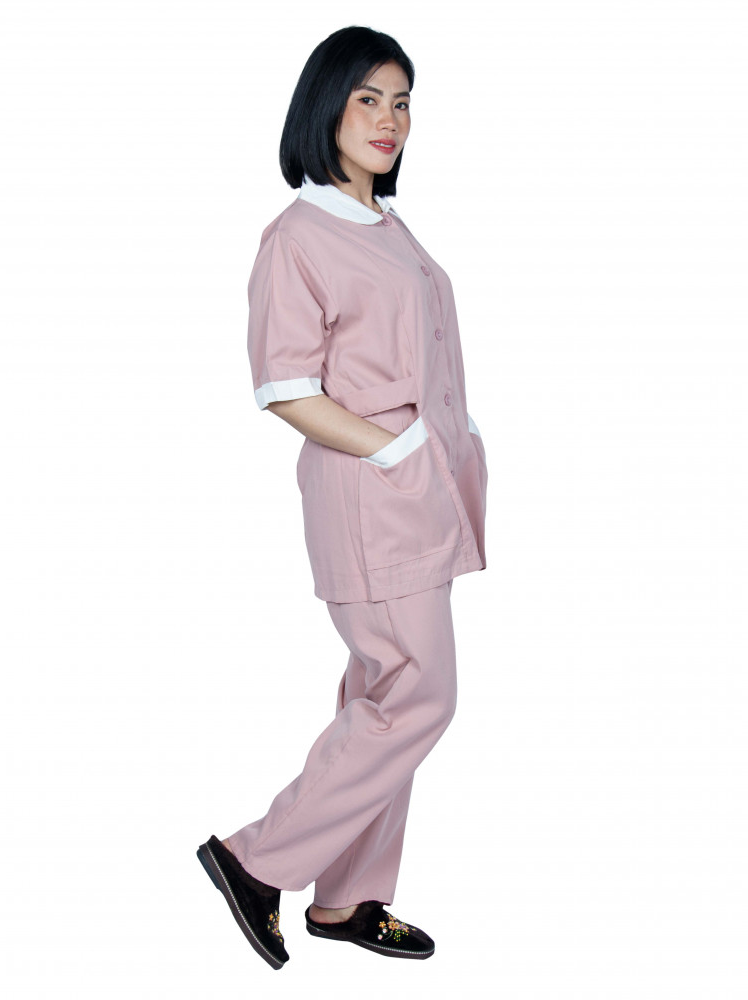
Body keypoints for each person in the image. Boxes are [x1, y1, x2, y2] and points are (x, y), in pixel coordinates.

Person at [196, 25, 489, 970]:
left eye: (402, 103)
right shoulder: (299, 236)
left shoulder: (385, 225)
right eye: (368, 99)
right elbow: (284, 386)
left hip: (419, 496)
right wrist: (396, 446)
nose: (389, 119)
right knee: (420, 695)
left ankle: (348, 897)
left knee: (381, 694)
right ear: (325, 107)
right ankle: (256, 859)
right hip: (373, 499)